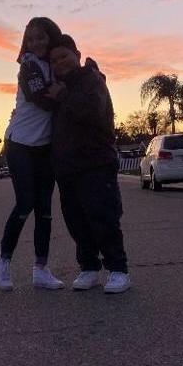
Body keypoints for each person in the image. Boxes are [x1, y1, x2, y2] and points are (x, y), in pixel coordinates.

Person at [47, 34, 130, 294]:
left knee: (103, 217)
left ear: (77, 55)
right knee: (77, 221)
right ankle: (89, 268)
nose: (60, 63)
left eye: (64, 56)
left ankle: (118, 270)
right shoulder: (57, 87)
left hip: (96, 163)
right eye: (54, 60)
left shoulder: (91, 80)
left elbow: (92, 112)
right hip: (67, 168)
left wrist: (62, 96)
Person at [0, 17, 65, 291]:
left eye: (41, 37)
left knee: (45, 209)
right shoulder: (28, 66)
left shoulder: (56, 65)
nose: (35, 43)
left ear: (51, 37)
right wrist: (64, 94)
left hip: (45, 147)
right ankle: (3, 260)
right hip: (20, 143)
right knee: (25, 203)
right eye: (30, 39)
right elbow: (42, 101)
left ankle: (41, 269)